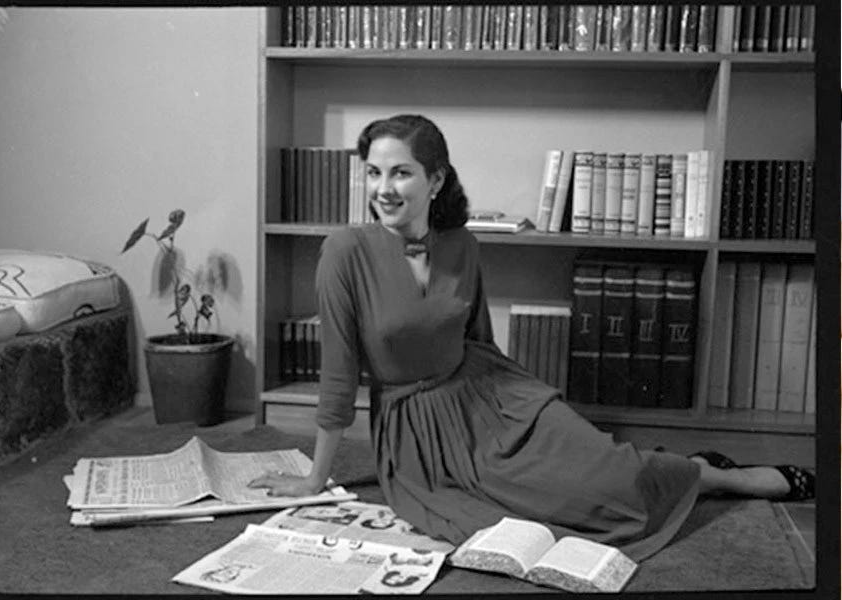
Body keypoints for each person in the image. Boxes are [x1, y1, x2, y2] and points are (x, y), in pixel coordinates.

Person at [249, 114, 815, 562]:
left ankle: (718, 475)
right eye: (374, 173)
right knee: (537, 522)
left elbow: (481, 341)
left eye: (400, 173)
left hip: (489, 397)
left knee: (609, 472)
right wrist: (314, 478)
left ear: (436, 180)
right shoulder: (344, 252)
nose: (383, 188)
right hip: (419, 429)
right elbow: (338, 376)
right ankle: (700, 472)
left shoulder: (463, 245)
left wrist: (530, 415)